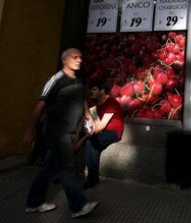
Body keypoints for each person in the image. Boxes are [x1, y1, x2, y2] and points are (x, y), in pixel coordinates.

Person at [23, 48, 98, 218]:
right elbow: (41, 105)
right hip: (57, 133)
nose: (79, 60)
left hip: (69, 131)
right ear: (64, 60)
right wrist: (30, 130)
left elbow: (82, 100)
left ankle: (33, 203)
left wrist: (88, 117)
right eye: (74, 57)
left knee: (48, 168)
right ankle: (78, 206)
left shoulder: (78, 81)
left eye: (80, 57)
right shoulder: (56, 80)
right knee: (68, 168)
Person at [79, 83, 124, 189]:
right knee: (73, 138)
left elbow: (99, 127)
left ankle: (93, 178)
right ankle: (66, 173)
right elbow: (88, 122)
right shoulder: (95, 104)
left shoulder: (111, 103)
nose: (91, 92)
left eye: (94, 89)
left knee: (91, 143)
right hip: (99, 131)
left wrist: (82, 139)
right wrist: (78, 137)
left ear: (102, 90)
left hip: (112, 132)